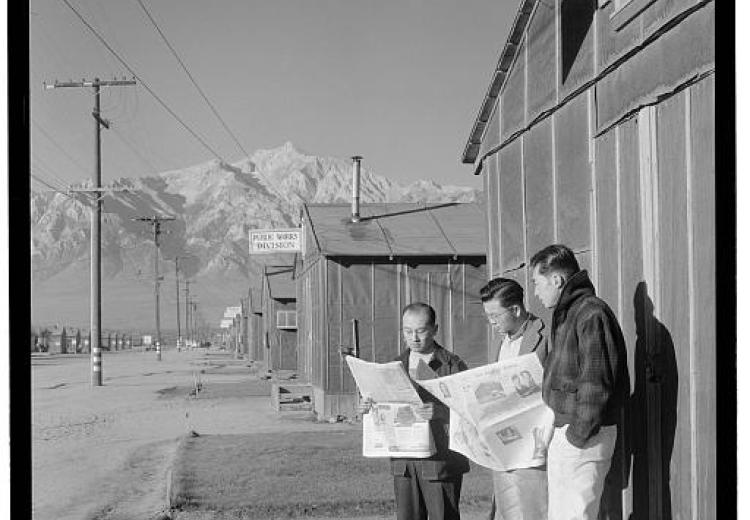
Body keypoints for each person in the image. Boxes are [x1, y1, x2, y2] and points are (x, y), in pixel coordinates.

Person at [529, 244, 630, 520]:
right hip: (571, 432)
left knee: (575, 516)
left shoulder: (590, 313)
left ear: (557, 280)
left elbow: (596, 384)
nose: (536, 293)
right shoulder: (571, 313)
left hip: (584, 436)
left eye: (537, 283)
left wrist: (576, 435)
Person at [359, 302, 470, 520]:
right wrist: (368, 408)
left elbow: (471, 413)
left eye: (421, 331)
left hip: (441, 463)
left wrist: (439, 412)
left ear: (435, 329)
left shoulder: (452, 365)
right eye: (407, 331)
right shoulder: (393, 367)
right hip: (404, 463)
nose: (414, 338)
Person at [480, 277, 549, 520]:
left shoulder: (547, 336)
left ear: (516, 309)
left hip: (533, 443)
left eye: (495, 315)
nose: (491, 322)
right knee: (505, 509)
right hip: (503, 442)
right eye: (488, 316)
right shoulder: (497, 341)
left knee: (534, 509)